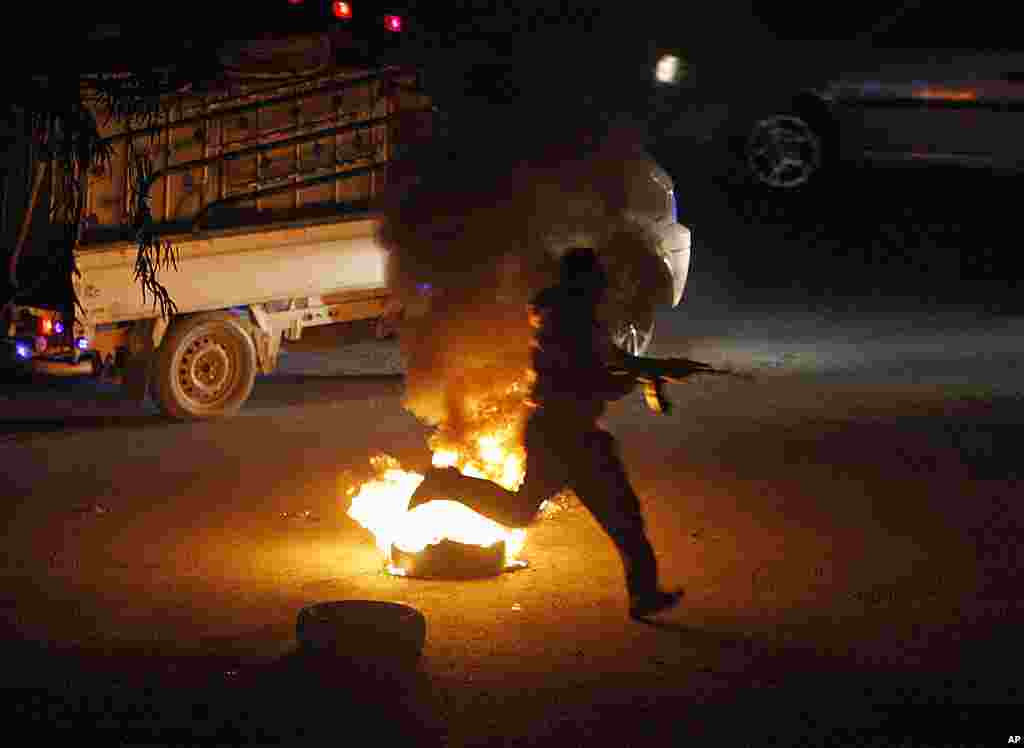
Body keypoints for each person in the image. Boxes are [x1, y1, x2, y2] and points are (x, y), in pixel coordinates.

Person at [407, 247, 682, 620]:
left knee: (611, 516)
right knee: (605, 515)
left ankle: (644, 593)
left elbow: (611, 357)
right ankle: (447, 483)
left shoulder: (576, 316)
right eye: (598, 280)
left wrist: (653, 367)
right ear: (583, 283)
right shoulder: (566, 324)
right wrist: (643, 376)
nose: (604, 287)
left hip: (569, 433)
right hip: (562, 435)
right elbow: (594, 381)